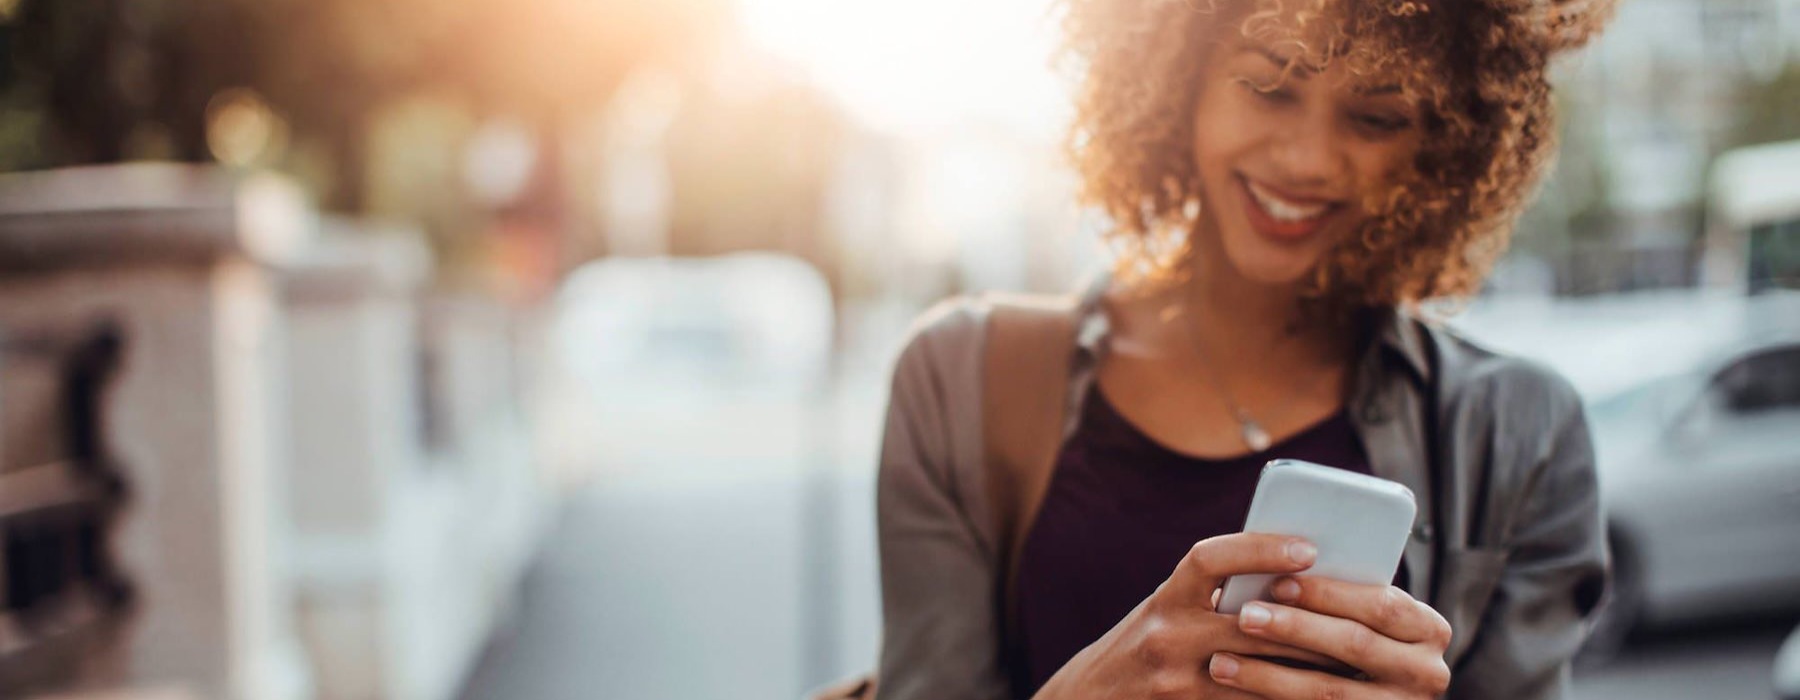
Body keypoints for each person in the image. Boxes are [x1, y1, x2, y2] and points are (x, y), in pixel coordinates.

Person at [873, 0, 1617, 699]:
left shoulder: (1524, 432)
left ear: (1443, 144)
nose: (1307, 160)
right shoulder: (962, 377)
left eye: (1375, 116)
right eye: (1268, 87)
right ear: (1177, 77)